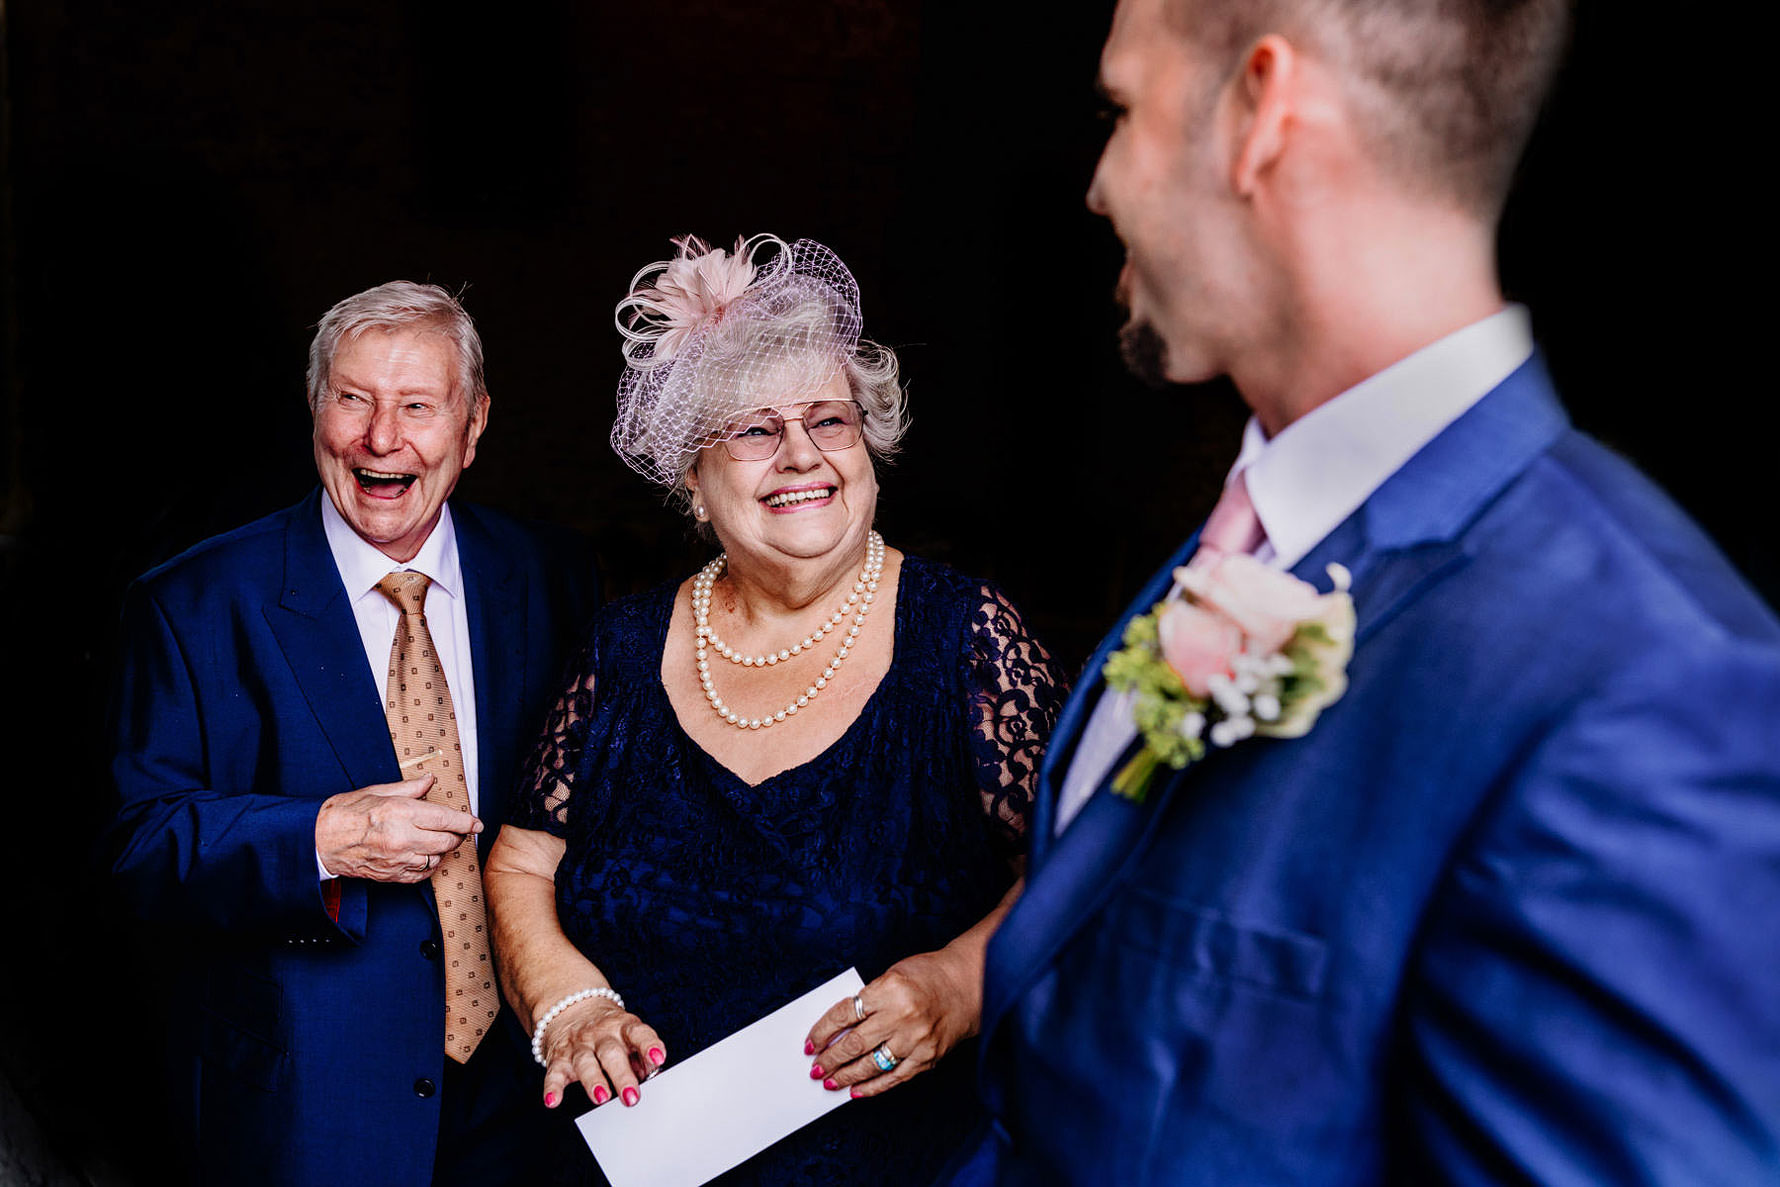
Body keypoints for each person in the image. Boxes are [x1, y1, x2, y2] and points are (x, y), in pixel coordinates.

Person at [960, 1, 1780, 1183]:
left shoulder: (1651, 692)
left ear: (1260, 111)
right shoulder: (1254, 535)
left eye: (1121, 111)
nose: (1094, 184)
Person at [484, 234, 1064, 1186]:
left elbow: (1074, 868)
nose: (803, 454)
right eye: (755, 429)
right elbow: (518, 862)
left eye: (830, 421)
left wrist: (959, 983)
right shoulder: (624, 645)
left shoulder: (964, 636)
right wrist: (566, 1003)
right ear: (692, 481)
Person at [106, 281, 599, 1186]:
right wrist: (323, 838)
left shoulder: (554, 576)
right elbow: (141, 844)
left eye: (418, 405)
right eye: (354, 399)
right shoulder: (194, 601)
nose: (382, 438)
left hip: (530, 1096)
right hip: (307, 1107)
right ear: (313, 406)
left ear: (475, 422)